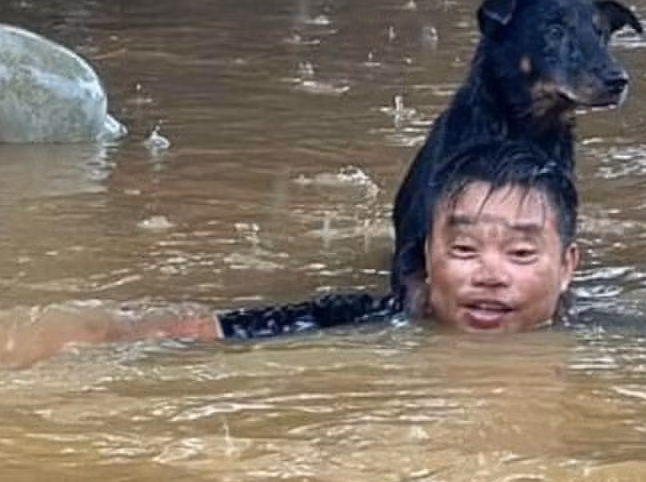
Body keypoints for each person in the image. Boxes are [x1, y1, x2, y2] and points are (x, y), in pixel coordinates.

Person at [0, 142, 580, 369]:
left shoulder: (619, 348)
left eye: (522, 252)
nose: (490, 274)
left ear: (567, 265)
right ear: (427, 256)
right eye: (464, 248)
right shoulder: (356, 323)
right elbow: (163, 332)